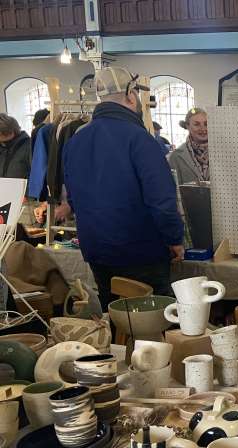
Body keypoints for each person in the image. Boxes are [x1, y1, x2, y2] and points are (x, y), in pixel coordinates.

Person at [63, 66, 184, 308]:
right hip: (141, 250)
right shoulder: (140, 139)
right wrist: (174, 239)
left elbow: (73, 197)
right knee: (150, 324)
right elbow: (161, 199)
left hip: (97, 249)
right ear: (131, 94)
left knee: (116, 318)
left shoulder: (76, 140)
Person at [169, 108, 209, 185]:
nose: (203, 129)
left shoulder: (222, 152)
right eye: (197, 124)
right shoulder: (176, 156)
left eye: (206, 124)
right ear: (188, 126)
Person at [0, 113, 31, 179]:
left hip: (21, 188)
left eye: (1, 135)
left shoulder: (29, 146)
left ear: (11, 132)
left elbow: (36, 176)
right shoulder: (2, 146)